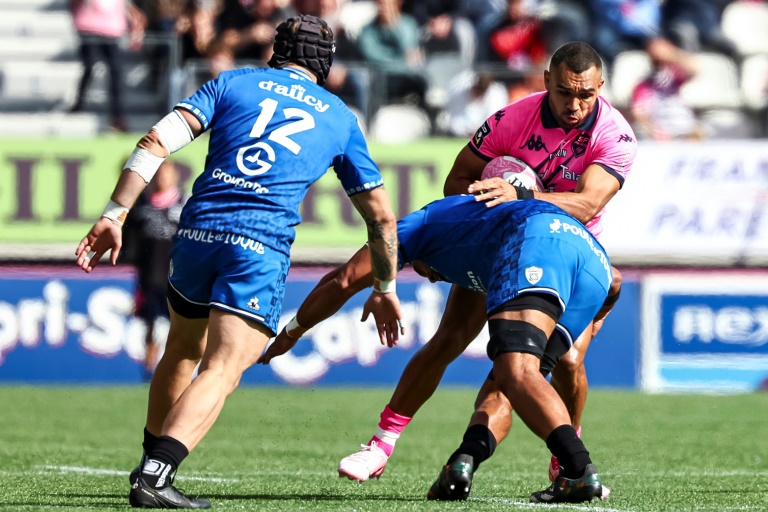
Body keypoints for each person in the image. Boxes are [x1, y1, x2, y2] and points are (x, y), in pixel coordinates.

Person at [74, 14, 402, 509]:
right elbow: (381, 218)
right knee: (224, 367)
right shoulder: (338, 117)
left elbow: (154, 143)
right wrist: (385, 285)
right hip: (258, 244)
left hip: (197, 232)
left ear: (277, 50)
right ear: (326, 62)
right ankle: (156, 475)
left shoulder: (231, 82)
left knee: (181, 350)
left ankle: (149, 461)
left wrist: (114, 214)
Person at [295, 41, 634, 500]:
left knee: (558, 364)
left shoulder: (615, 134)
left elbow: (590, 203)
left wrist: (524, 198)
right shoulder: (512, 119)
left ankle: (563, 458)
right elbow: (457, 182)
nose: (574, 105)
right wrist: (479, 223)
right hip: (502, 243)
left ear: (601, 88)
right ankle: (382, 443)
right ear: (546, 83)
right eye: (563, 93)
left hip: (564, 255)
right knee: (452, 339)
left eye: (586, 95)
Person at [259, 193, 615, 503]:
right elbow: (614, 281)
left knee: (516, 372)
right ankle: (465, 459)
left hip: (539, 242)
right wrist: (598, 314)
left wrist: (292, 332)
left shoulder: (418, 228)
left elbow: (345, 279)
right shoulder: (477, 240)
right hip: (594, 264)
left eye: (418, 267)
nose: (426, 275)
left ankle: (578, 468)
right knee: (515, 382)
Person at [122, 160, 188, 379]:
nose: (162, 178)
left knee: (180, 326)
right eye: (159, 174)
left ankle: (177, 369)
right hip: (150, 277)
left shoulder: (185, 206)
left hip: (179, 278)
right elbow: (131, 243)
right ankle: (149, 367)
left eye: (167, 174)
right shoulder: (142, 208)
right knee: (149, 323)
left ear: (175, 177)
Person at [69, 0, 147, 132]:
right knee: (90, 67)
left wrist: (136, 31)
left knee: (116, 72)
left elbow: (134, 12)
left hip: (111, 31)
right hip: (90, 28)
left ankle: (118, 115)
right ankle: (79, 104)